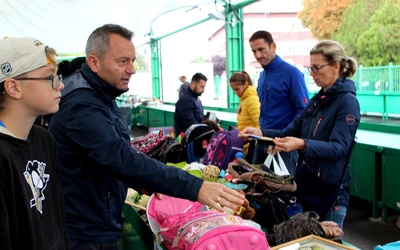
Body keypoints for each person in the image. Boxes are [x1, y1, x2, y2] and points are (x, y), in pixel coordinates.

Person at [48, 24, 244, 250]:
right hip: (84, 231)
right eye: (123, 61)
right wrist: (196, 188)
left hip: (96, 220)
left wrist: (143, 184)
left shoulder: (101, 93)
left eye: (132, 60)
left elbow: (108, 156)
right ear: (94, 62)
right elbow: (120, 157)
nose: (132, 69)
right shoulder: (82, 106)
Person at [240, 40, 360, 229]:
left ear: (336, 67)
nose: (312, 74)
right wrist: (260, 132)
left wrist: (302, 144)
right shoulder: (316, 101)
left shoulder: (348, 103)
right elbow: (288, 132)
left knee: (328, 242)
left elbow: (339, 148)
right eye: (310, 68)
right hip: (307, 184)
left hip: (330, 189)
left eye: (317, 68)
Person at [0, 37, 68, 249]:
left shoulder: (44, 138)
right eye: (50, 77)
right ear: (14, 87)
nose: (60, 85)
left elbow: (56, 214)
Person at [249, 30, 309, 175]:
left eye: (261, 49)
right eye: (254, 51)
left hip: (283, 145)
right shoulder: (262, 76)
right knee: (254, 185)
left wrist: (284, 140)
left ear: (273, 47)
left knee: (282, 192)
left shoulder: (292, 74)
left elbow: (303, 111)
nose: (257, 55)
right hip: (262, 141)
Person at [229, 71, 260, 160]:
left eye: (237, 89)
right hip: (246, 146)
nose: (235, 92)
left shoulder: (251, 100)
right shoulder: (244, 99)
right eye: (233, 89)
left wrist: (257, 146)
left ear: (246, 84)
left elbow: (259, 124)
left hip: (252, 147)